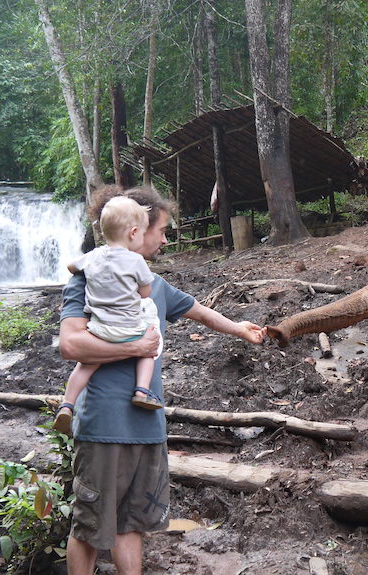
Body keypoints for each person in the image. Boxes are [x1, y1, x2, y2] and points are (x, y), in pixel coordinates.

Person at [58, 184, 266, 574]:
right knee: (89, 527)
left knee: (133, 524)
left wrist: (240, 329)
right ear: (140, 229)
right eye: (163, 230)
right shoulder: (87, 280)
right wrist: (136, 348)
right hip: (104, 426)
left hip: (149, 427)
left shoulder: (158, 287)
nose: (166, 238)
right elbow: (71, 345)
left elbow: (202, 313)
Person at [53, 196, 164, 437]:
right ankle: (142, 391)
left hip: (100, 330)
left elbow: (72, 267)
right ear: (134, 233)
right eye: (144, 233)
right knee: (149, 349)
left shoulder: (93, 256)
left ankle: (66, 405)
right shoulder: (136, 261)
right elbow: (146, 292)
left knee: (85, 366)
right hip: (130, 329)